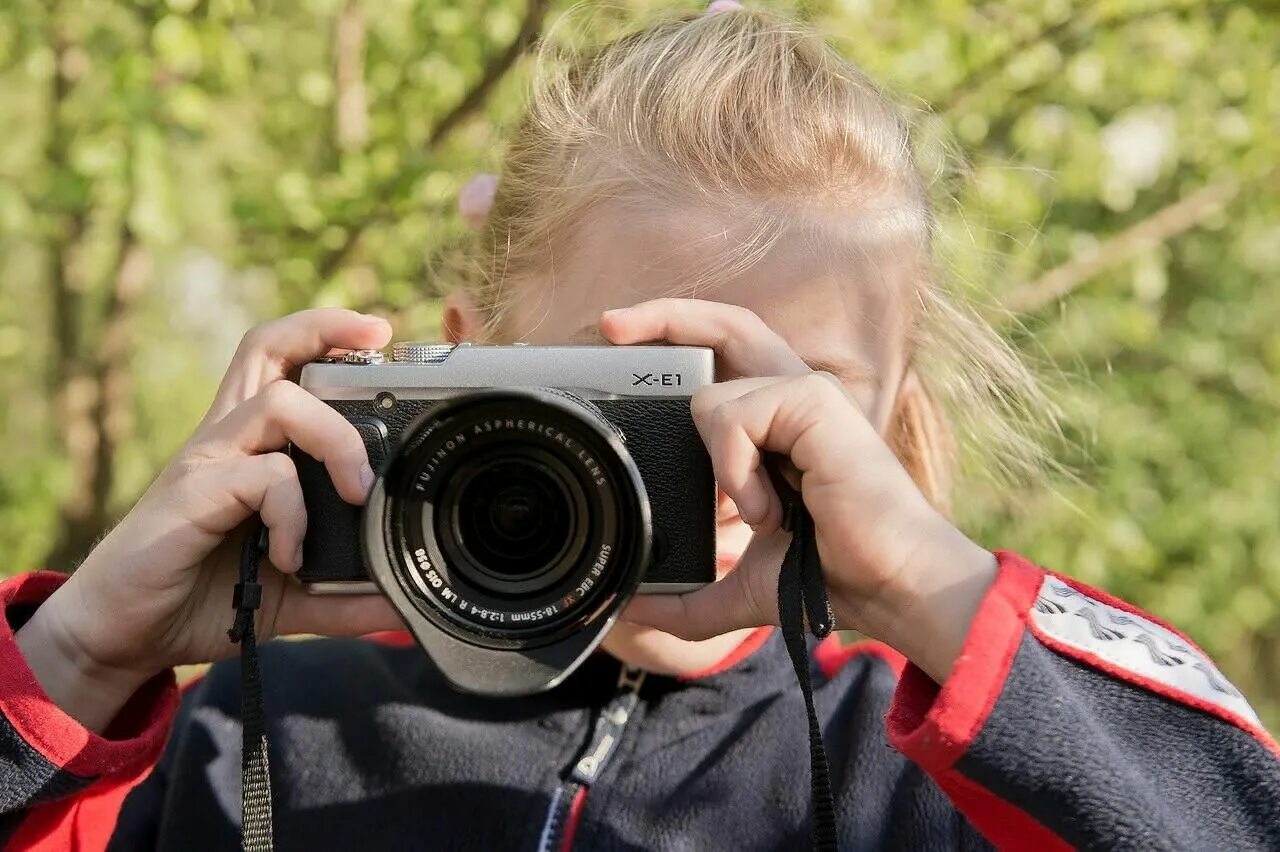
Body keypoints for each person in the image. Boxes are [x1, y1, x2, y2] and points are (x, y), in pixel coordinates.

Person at [3, 6, 1278, 851]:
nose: (718, 456)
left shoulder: (947, 771)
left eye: (790, 396)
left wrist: (929, 595)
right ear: (468, 358)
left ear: (887, 427)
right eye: (635, 384)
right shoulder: (250, 731)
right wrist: (71, 659)